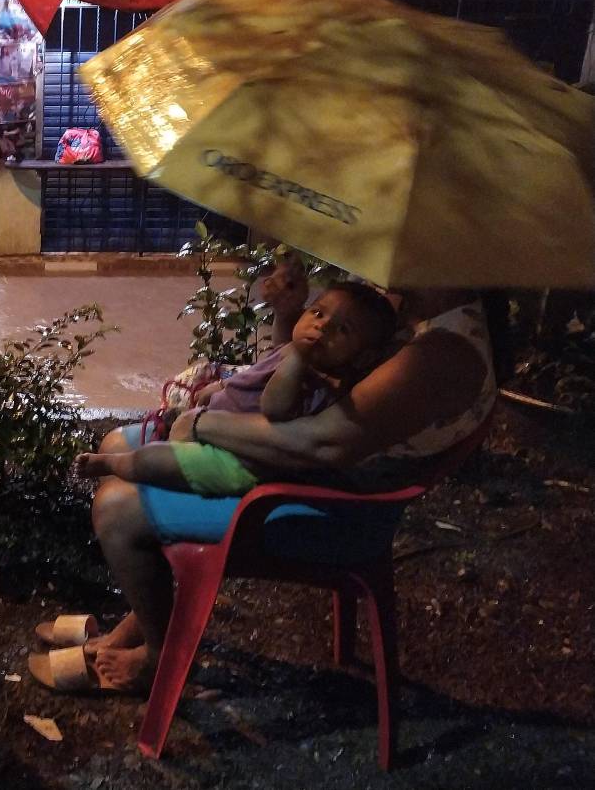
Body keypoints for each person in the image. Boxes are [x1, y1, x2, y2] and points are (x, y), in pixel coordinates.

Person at [31, 264, 498, 694]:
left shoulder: (443, 352)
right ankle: (141, 624)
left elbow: (322, 444)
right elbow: (292, 383)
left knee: (116, 508)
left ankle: (158, 659)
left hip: (332, 504)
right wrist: (288, 314)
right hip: (298, 465)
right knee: (116, 446)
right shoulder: (400, 305)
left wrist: (202, 424)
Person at [76, 282, 397, 496]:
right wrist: (221, 384)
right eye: (318, 312)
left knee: (150, 462)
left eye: (343, 329)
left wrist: (299, 356)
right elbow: (259, 372)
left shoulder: (320, 382)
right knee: (160, 446)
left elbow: (274, 406)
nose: (322, 326)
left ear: (365, 355)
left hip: (241, 461)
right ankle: (147, 471)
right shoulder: (294, 353)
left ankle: (115, 466)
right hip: (216, 431)